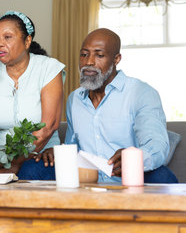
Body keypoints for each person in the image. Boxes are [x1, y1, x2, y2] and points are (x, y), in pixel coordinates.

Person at [41, 28, 177, 183]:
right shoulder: (75, 99)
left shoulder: (140, 93)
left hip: (131, 181)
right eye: (84, 54)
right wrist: (57, 152)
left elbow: (157, 145)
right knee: (34, 168)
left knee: (163, 176)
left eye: (99, 55)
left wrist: (132, 159)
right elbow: (73, 148)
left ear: (116, 59)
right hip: (88, 182)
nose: (89, 62)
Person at [0, 10, 65, 179]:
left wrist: (15, 163)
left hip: (39, 152)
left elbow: (47, 127)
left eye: (8, 37)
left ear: (27, 41)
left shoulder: (49, 68)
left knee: (30, 174)